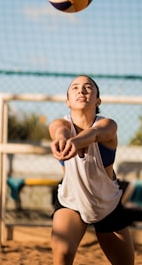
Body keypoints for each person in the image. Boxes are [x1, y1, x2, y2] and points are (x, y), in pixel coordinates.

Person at [49, 75, 135, 265]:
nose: (81, 90)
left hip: (107, 204)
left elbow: (97, 134)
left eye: (88, 87)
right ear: (67, 101)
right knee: (62, 251)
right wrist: (62, 139)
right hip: (72, 201)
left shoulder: (108, 125)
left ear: (98, 100)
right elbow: (59, 130)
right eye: (75, 88)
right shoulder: (60, 125)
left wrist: (75, 142)